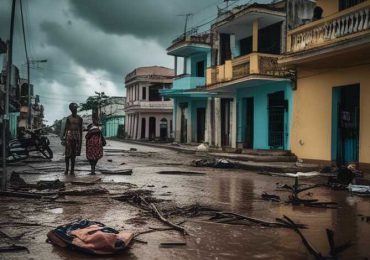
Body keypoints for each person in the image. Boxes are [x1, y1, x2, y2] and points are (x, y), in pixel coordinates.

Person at [62, 103, 83, 175]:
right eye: (73, 109)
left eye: (76, 109)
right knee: (67, 154)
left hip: (76, 137)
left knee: (73, 155)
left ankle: (72, 170)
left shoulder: (80, 118)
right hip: (69, 136)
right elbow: (65, 128)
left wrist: (80, 140)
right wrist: (63, 138)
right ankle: (67, 169)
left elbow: (80, 130)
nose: (75, 110)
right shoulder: (68, 118)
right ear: (71, 110)